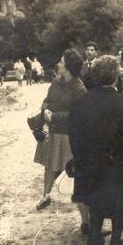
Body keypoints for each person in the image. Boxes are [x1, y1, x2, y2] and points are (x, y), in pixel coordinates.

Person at [68, 55, 123, 245]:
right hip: (118, 164)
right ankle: (115, 241)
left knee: (95, 201)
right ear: (115, 77)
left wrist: (80, 158)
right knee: (119, 202)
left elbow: (73, 136)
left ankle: (94, 238)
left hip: (89, 163)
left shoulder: (80, 104)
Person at [34, 49, 87, 213]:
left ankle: (85, 217)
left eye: (62, 62)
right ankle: (46, 195)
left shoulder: (80, 89)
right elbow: (47, 100)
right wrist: (45, 108)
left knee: (74, 172)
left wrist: (54, 116)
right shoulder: (55, 82)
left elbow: (76, 116)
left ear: (70, 67)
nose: (59, 64)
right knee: (49, 165)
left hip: (68, 135)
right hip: (51, 131)